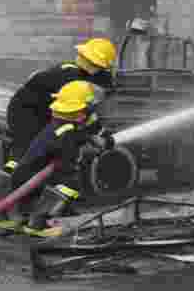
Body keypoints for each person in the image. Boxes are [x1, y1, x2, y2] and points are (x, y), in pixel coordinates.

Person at [0, 38, 116, 230]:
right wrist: (98, 133)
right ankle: (3, 210)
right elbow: (82, 112)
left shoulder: (74, 72)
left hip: (39, 109)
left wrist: (94, 132)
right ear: (98, 65)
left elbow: (80, 114)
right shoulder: (74, 80)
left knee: (44, 158)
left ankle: (40, 209)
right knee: (27, 158)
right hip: (28, 114)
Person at [7, 80, 114, 238]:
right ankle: (38, 222)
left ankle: (39, 215)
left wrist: (102, 139)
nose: (93, 112)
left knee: (66, 180)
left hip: (34, 179)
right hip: (30, 183)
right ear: (79, 112)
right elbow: (68, 163)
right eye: (90, 108)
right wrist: (88, 144)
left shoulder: (67, 122)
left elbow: (93, 130)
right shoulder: (64, 132)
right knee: (71, 183)